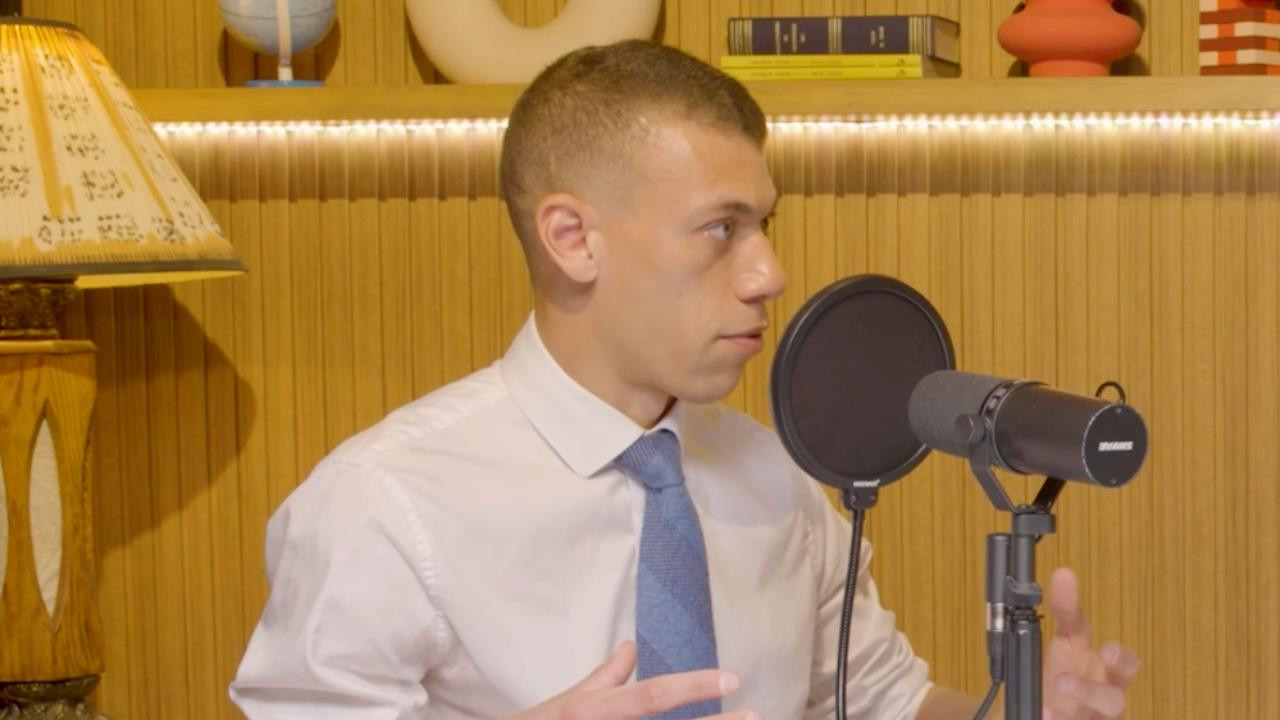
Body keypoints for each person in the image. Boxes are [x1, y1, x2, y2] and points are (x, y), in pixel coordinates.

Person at [229, 40, 1139, 720]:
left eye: (766, 226)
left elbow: (882, 702)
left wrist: (1022, 713)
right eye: (721, 229)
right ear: (572, 238)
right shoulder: (381, 509)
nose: (770, 273)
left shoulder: (777, 477)